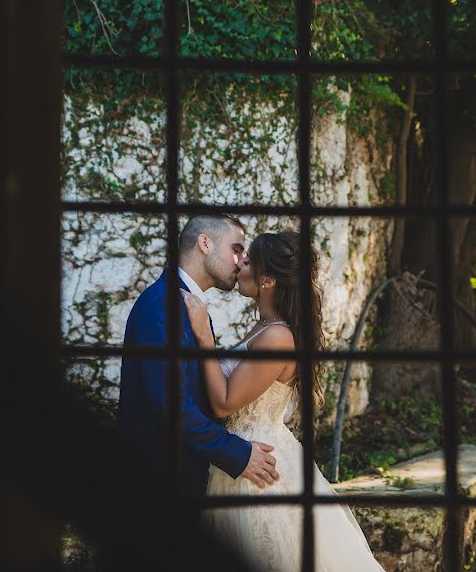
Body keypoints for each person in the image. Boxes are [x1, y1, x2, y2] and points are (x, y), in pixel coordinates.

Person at [181, 231, 385, 571]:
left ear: (266, 279)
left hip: (257, 466)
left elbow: (224, 403)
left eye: (246, 260)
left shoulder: (277, 337)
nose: (238, 263)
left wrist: (204, 336)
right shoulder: (264, 327)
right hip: (240, 456)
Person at [117, 214, 281, 505]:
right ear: (205, 243)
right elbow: (170, 405)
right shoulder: (162, 306)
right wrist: (238, 454)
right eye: (236, 249)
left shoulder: (186, 305)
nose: (241, 261)